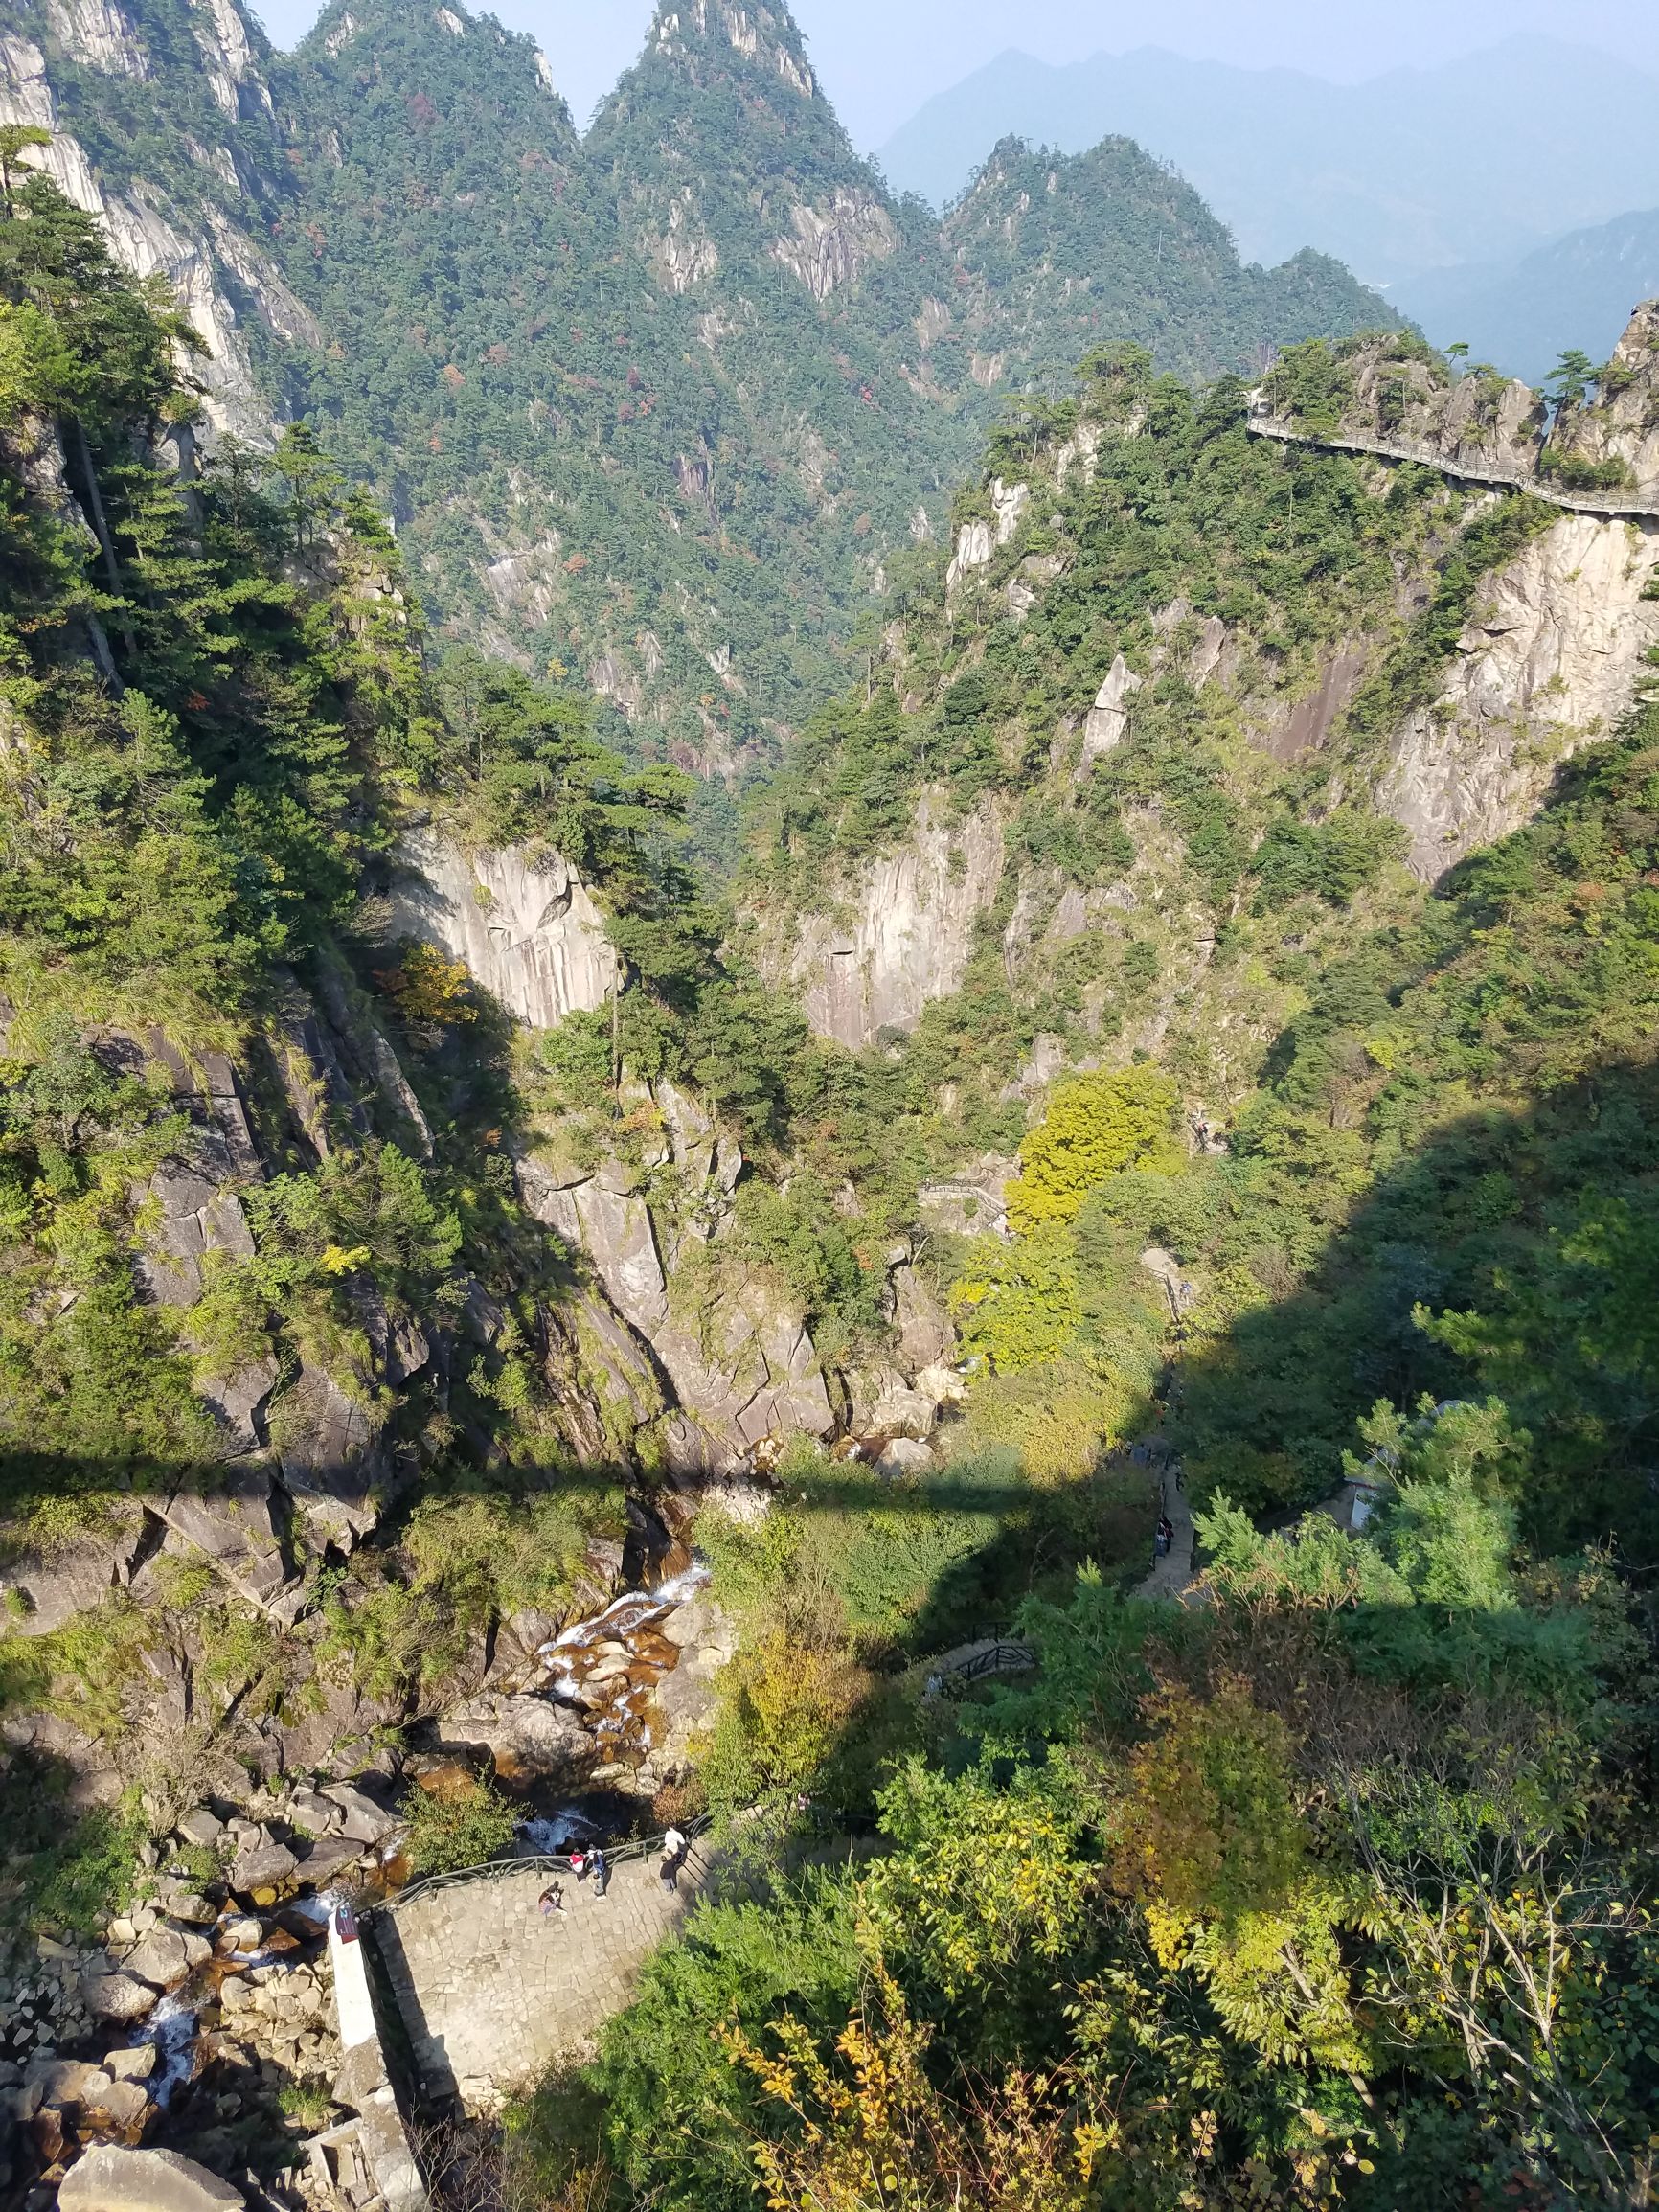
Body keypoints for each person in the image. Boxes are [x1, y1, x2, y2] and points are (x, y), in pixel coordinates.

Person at [661, 1824, 688, 1890]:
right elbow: (683, 1841)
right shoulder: (678, 1834)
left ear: (671, 1828)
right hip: (675, 1848)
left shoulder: (668, 1833)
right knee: (676, 1857)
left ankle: (672, 1864)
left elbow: (665, 1841)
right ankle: (676, 1862)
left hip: (669, 1847)